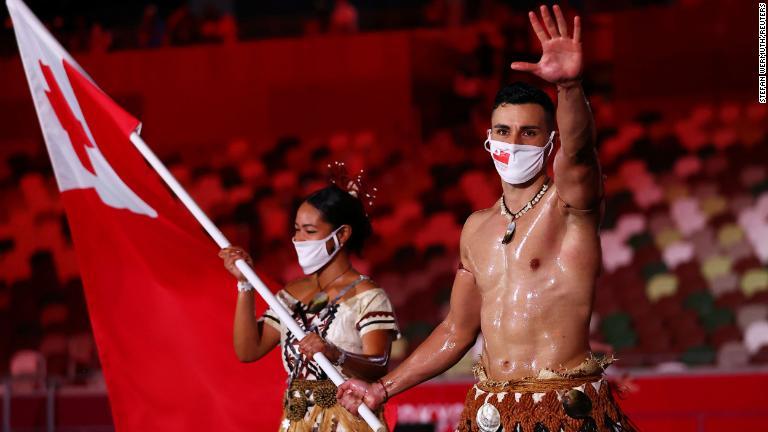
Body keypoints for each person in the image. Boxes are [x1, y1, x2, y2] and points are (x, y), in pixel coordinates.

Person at [336, 5, 635, 432]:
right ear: (488, 139)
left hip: (564, 415)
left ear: (550, 144)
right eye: (503, 131)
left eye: (528, 133)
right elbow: (456, 330)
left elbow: (582, 154)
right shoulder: (476, 228)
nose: (514, 143)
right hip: (492, 412)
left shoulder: (569, 207)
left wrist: (569, 87)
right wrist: (383, 388)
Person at [220, 181, 399, 432]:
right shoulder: (293, 293)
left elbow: (379, 364)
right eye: (296, 230)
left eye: (310, 231)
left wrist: (335, 354)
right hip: (296, 422)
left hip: (347, 422)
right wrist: (245, 286)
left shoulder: (367, 295)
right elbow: (248, 350)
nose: (299, 239)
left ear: (342, 234)